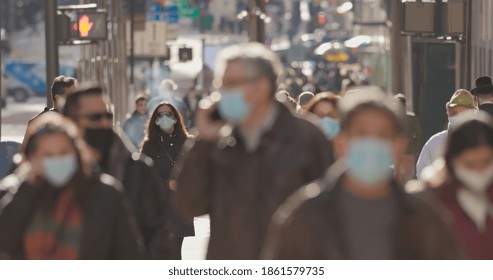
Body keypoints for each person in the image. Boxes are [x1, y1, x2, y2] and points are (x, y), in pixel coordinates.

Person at [175, 42, 334, 259]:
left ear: (261, 87)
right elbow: (189, 206)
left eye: (231, 84)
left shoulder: (306, 139)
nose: (222, 93)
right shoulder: (219, 141)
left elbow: (332, 218)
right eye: (221, 84)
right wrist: (203, 141)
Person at [263, 88, 463, 259]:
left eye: (381, 135)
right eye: (361, 134)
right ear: (341, 143)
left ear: (398, 146)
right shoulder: (305, 214)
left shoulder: (424, 217)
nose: (371, 143)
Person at [0, 113, 143, 259]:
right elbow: (4, 242)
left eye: (63, 153)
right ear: (33, 158)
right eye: (48, 155)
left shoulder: (106, 194)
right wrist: (28, 188)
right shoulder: (13, 192)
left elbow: (129, 254)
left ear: (76, 152)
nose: (57, 160)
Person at [61, 84, 170, 259]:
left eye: (108, 116)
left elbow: (159, 238)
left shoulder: (137, 170)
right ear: (70, 122)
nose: (104, 123)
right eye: (95, 117)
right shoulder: (54, 169)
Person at [410, 111, 493, 259]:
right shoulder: (430, 201)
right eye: (470, 164)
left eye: (486, 162)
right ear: (452, 161)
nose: (479, 171)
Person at [141, 102, 194, 259]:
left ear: (176, 118)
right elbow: (144, 177)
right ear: (155, 120)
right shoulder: (149, 145)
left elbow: (196, 172)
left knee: (177, 252)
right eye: (160, 115)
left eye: (168, 114)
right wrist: (166, 183)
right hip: (159, 207)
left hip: (180, 205)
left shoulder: (187, 142)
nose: (164, 118)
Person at [416, 89, 477, 179]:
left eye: (464, 113)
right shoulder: (434, 143)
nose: (459, 117)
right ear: (448, 114)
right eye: (454, 113)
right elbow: (422, 174)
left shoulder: (482, 143)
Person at [22, 76, 77, 146]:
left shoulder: (78, 119)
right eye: (73, 96)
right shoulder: (38, 123)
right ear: (58, 98)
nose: (77, 100)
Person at [394, 93, 422, 183]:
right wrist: (415, 143)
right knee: (408, 174)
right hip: (410, 149)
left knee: (398, 174)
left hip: (397, 150)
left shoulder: (394, 117)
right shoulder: (411, 117)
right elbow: (419, 133)